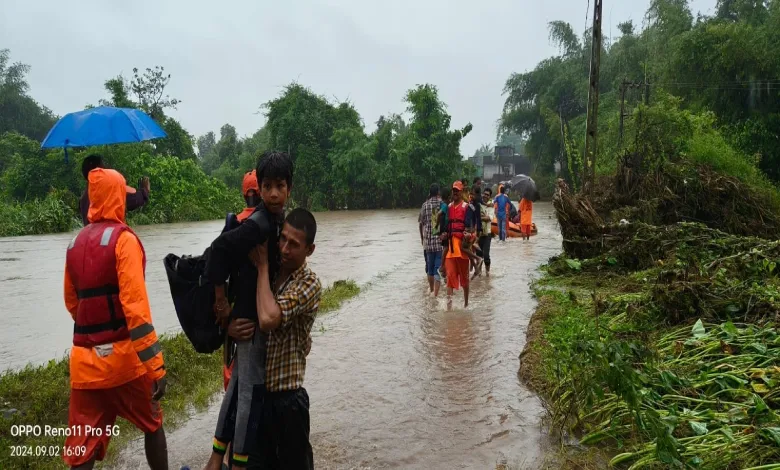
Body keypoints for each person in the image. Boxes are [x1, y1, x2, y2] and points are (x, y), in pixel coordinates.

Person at [62, 168, 168, 470]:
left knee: (82, 449)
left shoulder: (74, 244)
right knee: (152, 423)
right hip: (125, 363)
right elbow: (136, 309)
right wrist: (156, 366)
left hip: (84, 367)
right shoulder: (125, 241)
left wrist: (96, 332)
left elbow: (72, 303)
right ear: (117, 197)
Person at [204, 151, 292, 470]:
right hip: (250, 323)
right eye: (266, 186)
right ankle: (238, 465)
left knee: (239, 387)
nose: (271, 193)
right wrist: (220, 301)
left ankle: (215, 460)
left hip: (252, 318)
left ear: (289, 189)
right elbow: (218, 251)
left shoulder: (276, 219)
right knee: (250, 397)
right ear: (258, 189)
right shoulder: (259, 223)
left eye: (278, 186)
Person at [249, 208, 322, 470]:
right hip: (257, 398)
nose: (284, 248)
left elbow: (268, 319)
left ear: (309, 250)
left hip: (288, 401)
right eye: (282, 239)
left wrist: (262, 268)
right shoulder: (273, 269)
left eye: (294, 244)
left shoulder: (309, 283)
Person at [79, 154, 150, 226]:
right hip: (111, 234)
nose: (106, 169)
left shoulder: (83, 199)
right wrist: (145, 191)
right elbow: (133, 199)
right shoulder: (109, 191)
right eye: (103, 168)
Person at [444, 180, 475, 308]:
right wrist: (443, 234)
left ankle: (466, 304)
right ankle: (449, 307)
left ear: (461, 192)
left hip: (462, 248)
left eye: (457, 190)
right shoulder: (448, 207)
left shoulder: (467, 207)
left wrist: (470, 235)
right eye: (454, 190)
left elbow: (472, 228)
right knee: (450, 277)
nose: (455, 192)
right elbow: (444, 226)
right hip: (451, 249)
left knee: (465, 279)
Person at [419, 183, 444, 296]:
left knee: (430, 268)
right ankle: (436, 294)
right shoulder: (441, 204)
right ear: (438, 192)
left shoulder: (425, 205)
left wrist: (422, 238)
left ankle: (432, 290)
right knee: (437, 268)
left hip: (428, 242)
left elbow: (421, 222)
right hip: (439, 242)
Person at [478, 187, 494, 276]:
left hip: (487, 233)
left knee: (486, 255)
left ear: (490, 196)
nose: (485, 196)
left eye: (487, 195)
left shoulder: (491, 205)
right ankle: (479, 273)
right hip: (479, 233)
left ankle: (488, 273)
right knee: (479, 254)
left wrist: (480, 218)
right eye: (484, 194)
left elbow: (489, 218)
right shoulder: (479, 204)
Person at [437, 187, 451, 280]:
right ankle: (442, 267)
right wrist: (437, 225)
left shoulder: (442, 203)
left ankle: (445, 273)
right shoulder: (445, 205)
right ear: (448, 196)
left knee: (446, 248)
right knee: (446, 248)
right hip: (445, 229)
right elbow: (438, 214)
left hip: (444, 228)